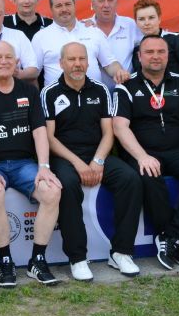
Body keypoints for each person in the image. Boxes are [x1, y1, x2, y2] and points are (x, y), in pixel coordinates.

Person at [41, 42, 143, 280]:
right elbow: (49, 138)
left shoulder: (100, 90)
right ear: (61, 63)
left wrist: (98, 161)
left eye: (82, 59)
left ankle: (121, 252)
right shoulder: (49, 92)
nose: (77, 64)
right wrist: (78, 164)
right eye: (71, 59)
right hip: (65, 156)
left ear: (89, 63)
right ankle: (77, 258)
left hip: (97, 153)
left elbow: (108, 132)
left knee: (130, 179)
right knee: (67, 185)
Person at [0, 41, 62, 287]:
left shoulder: (29, 91)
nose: (3, 61)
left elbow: (40, 131)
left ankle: (37, 260)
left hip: (23, 163)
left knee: (52, 191)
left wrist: (44, 167)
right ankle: (5, 261)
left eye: (9, 56)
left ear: (16, 61)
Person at [113, 34, 179, 270]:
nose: (155, 56)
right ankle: (174, 239)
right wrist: (142, 157)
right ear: (139, 57)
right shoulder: (126, 86)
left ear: (168, 56)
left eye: (161, 52)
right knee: (148, 175)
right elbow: (119, 127)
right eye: (149, 52)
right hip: (143, 152)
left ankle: (173, 237)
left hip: (178, 150)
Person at [32, 0, 128, 86]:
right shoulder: (40, 37)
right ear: (51, 8)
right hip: (56, 95)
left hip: (94, 94)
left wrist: (119, 71)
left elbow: (109, 64)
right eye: (58, 6)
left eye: (68, 4)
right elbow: (33, 75)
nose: (64, 9)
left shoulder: (93, 30)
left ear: (74, 5)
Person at [131, 0, 179, 86]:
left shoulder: (177, 40)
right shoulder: (136, 48)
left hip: (177, 94)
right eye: (141, 19)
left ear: (159, 19)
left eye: (151, 18)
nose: (146, 23)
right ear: (136, 22)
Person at [87, 0, 140, 87]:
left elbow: (150, 42)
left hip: (125, 88)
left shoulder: (131, 25)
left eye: (110, 0)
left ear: (116, 3)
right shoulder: (84, 27)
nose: (106, 5)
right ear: (93, 4)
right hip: (93, 92)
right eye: (101, 0)